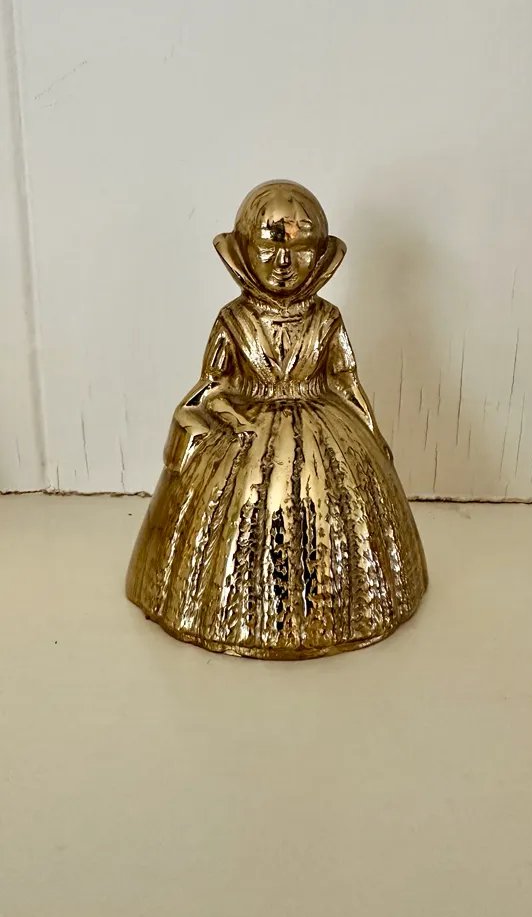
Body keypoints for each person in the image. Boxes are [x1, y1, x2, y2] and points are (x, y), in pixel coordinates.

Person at [126, 180, 427, 658]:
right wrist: (194, 425)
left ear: (320, 254)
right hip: (243, 428)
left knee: (332, 521)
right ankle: (234, 610)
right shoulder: (234, 319)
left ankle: (340, 607)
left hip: (328, 431)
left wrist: (374, 436)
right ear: (245, 252)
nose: (284, 262)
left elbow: (346, 383)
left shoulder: (325, 318)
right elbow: (212, 385)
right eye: (269, 247)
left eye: (300, 248)